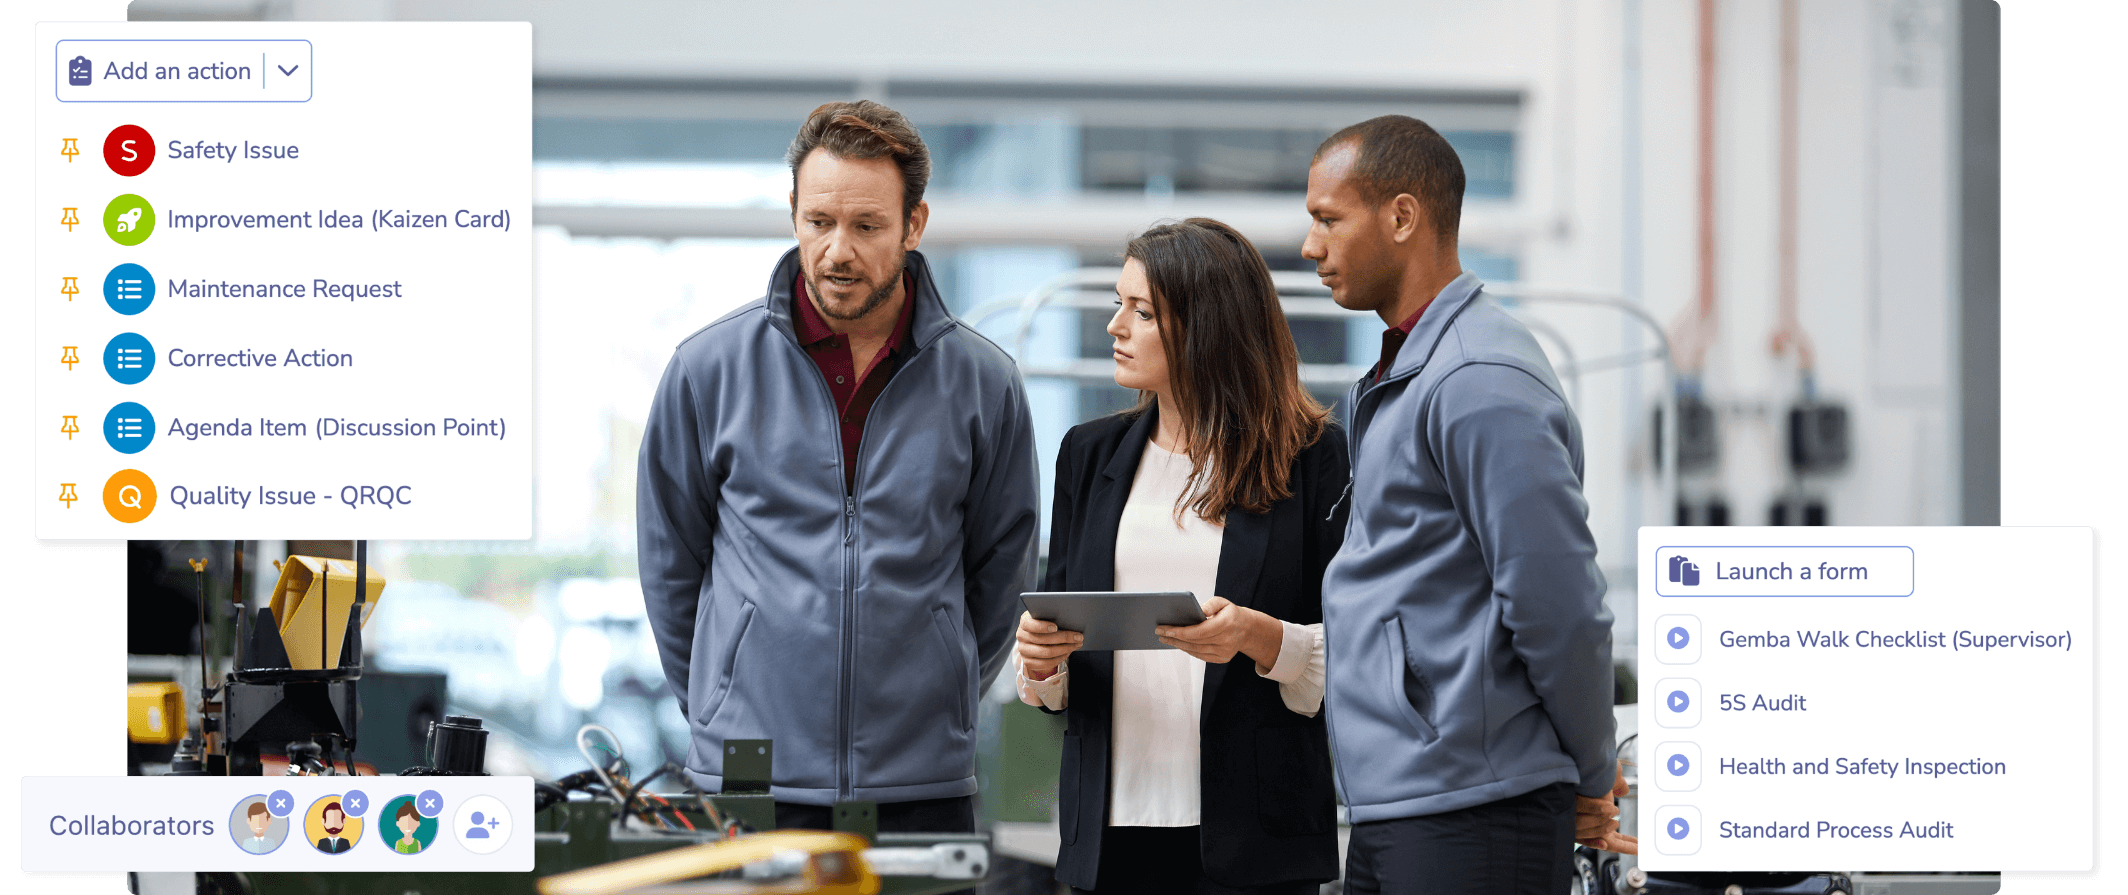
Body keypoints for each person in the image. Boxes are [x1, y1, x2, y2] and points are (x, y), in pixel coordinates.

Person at [638, 100, 1041, 834]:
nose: (838, 251)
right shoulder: (707, 371)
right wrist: (721, 696)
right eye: (819, 222)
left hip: (921, 780)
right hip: (747, 776)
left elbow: (1000, 574)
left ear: (914, 225)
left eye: (866, 226)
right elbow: (670, 568)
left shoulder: (986, 383)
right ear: (793, 212)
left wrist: (941, 692)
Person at [1303, 115, 1634, 894]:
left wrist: (1593, 769)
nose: (1312, 248)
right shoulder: (1406, 375)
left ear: (1404, 216)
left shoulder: (1476, 377)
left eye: (1328, 220)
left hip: (1477, 809)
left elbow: (1559, 601)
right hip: (1410, 800)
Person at [1015, 218, 1347, 894]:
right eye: (1118, 303)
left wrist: (1257, 635)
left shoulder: (1313, 457)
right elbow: (1065, 649)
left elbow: (1354, 652)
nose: (1115, 325)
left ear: (1208, 324)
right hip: (1110, 835)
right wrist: (1043, 665)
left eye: (1141, 311)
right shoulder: (1089, 453)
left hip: (1255, 841)